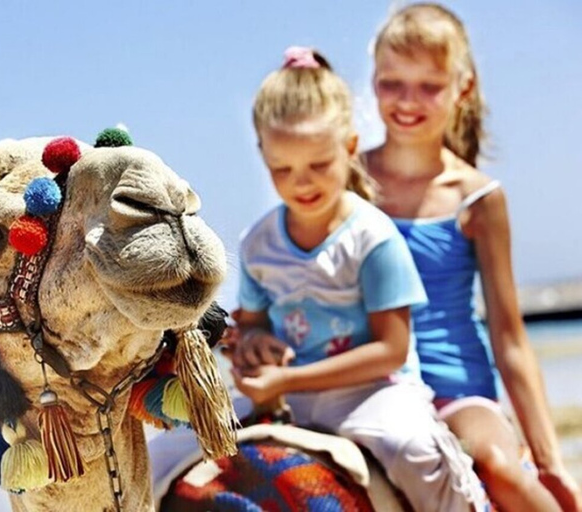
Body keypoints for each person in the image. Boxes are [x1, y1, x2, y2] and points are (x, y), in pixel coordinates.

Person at [229, 45, 485, 512]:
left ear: (349, 148)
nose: (301, 182)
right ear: (262, 155)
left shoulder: (373, 237)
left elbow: (390, 349)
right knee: (175, 448)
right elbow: (250, 322)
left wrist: (287, 378)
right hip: (287, 391)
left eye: (319, 165)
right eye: (282, 169)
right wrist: (251, 343)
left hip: (372, 393)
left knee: (416, 452)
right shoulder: (258, 243)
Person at [363, 4, 581, 511]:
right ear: (372, 79)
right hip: (371, 383)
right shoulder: (347, 182)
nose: (407, 102)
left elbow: (510, 338)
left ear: (461, 88)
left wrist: (550, 461)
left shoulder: (478, 197)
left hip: (459, 389)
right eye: (392, 83)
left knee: (500, 470)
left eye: (429, 86)